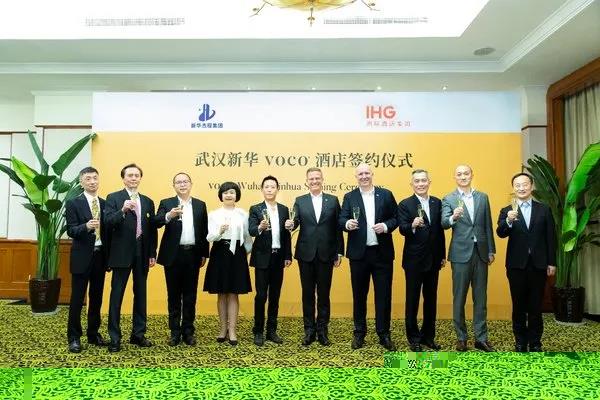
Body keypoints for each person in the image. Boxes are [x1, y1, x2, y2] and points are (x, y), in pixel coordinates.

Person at [338, 163, 398, 351]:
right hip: (359, 255)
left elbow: (396, 217)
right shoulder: (349, 197)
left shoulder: (386, 194)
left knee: (384, 296)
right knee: (359, 295)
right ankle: (359, 332)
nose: (364, 176)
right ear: (356, 177)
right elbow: (341, 219)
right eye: (360, 174)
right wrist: (347, 224)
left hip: (382, 254)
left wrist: (386, 226)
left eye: (366, 173)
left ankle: (384, 333)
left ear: (372, 174)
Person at [496, 172, 556, 352]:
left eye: (525, 184)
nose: (521, 188)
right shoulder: (507, 210)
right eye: (517, 185)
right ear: (513, 188)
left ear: (531, 186)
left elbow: (550, 237)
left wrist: (552, 262)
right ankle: (520, 341)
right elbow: (500, 233)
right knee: (519, 305)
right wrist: (508, 221)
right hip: (516, 266)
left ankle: (535, 342)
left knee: (536, 306)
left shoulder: (544, 209)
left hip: (539, 264)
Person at [285, 167, 344, 346]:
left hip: (327, 253)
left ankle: (322, 330)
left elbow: (338, 227)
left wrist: (339, 251)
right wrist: (291, 224)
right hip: (306, 253)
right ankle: (309, 330)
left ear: (322, 180)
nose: (314, 181)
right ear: (307, 182)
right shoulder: (300, 200)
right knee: (308, 294)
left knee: (324, 294)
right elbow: (295, 221)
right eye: (311, 179)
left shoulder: (333, 200)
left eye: (317, 178)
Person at [442, 164, 496, 352]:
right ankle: (461, 337)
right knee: (459, 297)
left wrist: (491, 250)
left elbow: (487, 225)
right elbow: (444, 223)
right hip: (460, 254)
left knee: (480, 297)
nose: (463, 176)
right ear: (455, 177)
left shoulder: (483, 197)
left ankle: (481, 338)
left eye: (466, 173)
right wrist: (453, 217)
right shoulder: (449, 198)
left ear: (472, 175)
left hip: (481, 252)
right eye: (459, 174)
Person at [104, 163, 157, 352]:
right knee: (116, 295)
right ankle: (114, 337)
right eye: (130, 175)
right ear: (123, 178)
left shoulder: (148, 201)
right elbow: (108, 222)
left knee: (141, 295)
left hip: (142, 252)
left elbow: (151, 230)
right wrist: (123, 211)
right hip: (121, 253)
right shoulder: (113, 198)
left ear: (140, 178)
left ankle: (138, 334)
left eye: (137, 175)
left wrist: (152, 253)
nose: (134, 178)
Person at [155, 172, 209, 346]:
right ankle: (174, 332)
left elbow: (204, 230)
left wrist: (204, 253)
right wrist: (169, 215)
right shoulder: (167, 203)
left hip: (193, 254)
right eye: (178, 182)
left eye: (185, 181)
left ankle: (188, 331)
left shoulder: (200, 205)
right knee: (173, 295)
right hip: (173, 255)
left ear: (191, 184)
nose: (182, 184)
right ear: (174, 186)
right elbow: (156, 221)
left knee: (190, 295)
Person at [397, 169, 446, 352]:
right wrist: (412, 225)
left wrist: (442, 255)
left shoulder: (437, 202)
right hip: (414, 260)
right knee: (412, 300)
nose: (420, 184)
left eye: (423, 180)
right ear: (412, 184)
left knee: (431, 300)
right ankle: (414, 338)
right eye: (417, 181)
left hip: (434, 259)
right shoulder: (405, 204)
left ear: (429, 182)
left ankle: (428, 336)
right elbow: (402, 228)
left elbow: (439, 231)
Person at [65, 167, 110, 353]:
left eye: (95, 178)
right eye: (88, 179)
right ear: (81, 182)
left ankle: (93, 334)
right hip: (81, 257)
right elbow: (71, 230)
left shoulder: (105, 203)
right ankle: (74, 337)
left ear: (99, 180)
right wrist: (85, 226)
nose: (92, 181)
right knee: (77, 299)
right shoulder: (73, 203)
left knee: (97, 298)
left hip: (100, 256)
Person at [203, 181, 252, 346]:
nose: (229, 195)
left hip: (237, 254)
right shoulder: (214, 214)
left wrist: (244, 253)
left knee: (233, 293)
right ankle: (223, 329)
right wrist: (219, 231)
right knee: (221, 293)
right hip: (219, 252)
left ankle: (232, 330)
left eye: (232, 192)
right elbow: (209, 237)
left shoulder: (243, 214)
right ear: (221, 196)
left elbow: (247, 237)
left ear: (237, 195)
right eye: (225, 192)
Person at [248, 175, 292, 346]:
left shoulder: (283, 209)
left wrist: (287, 255)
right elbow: (251, 230)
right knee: (261, 296)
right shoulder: (256, 209)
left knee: (275, 295)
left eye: (272, 187)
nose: (269, 189)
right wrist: (260, 227)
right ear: (262, 189)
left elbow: (287, 234)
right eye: (266, 186)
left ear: (277, 189)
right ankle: (258, 330)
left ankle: (271, 330)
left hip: (278, 257)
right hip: (262, 258)